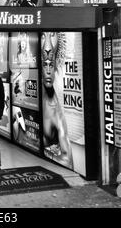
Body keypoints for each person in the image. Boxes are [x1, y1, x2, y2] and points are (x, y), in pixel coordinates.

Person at [41, 32, 73, 168]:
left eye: (51, 65)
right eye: (44, 64)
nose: (48, 71)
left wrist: (44, 153)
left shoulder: (55, 111)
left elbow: (67, 160)